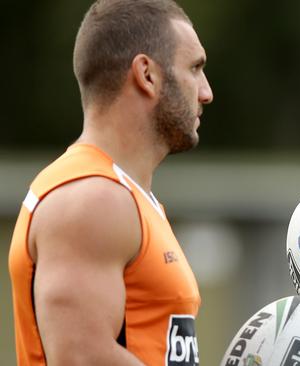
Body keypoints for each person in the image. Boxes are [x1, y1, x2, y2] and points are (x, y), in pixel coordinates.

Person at [8, 0, 212, 364]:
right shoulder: (91, 199)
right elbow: (80, 357)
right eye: (194, 68)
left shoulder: (125, 197)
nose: (206, 92)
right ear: (147, 74)